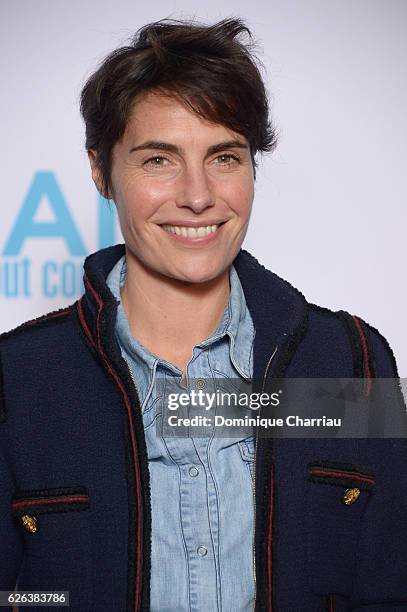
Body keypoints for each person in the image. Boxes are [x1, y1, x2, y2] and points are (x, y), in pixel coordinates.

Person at [1, 16, 406, 612]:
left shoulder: (351, 362)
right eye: (158, 160)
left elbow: (388, 590)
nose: (197, 195)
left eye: (224, 157)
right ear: (100, 171)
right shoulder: (19, 378)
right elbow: (19, 598)